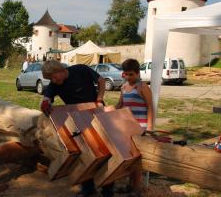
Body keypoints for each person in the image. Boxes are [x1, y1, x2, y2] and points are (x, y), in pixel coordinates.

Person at [40, 60, 114, 197]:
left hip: (95, 114)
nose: (54, 81)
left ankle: (107, 190)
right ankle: (88, 188)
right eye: (50, 79)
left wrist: (99, 99)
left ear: (60, 70)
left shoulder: (81, 69)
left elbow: (101, 80)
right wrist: (45, 102)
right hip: (76, 120)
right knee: (83, 154)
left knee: (104, 152)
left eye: (54, 77)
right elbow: (47, 97)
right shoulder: (54, 83)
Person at [115, 58, 154, 196]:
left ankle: (136, 189)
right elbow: (120, 105)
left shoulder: (143, 87)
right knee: (129, 158)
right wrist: (108, 113)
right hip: (127, 127)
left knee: (137, 159)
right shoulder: (124, 87)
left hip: (140, 128)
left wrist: (149, 128)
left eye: (131, 74)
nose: (128, 77)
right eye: (126, 74)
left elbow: (150, 107)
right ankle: (130, 186)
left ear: (137, 73)